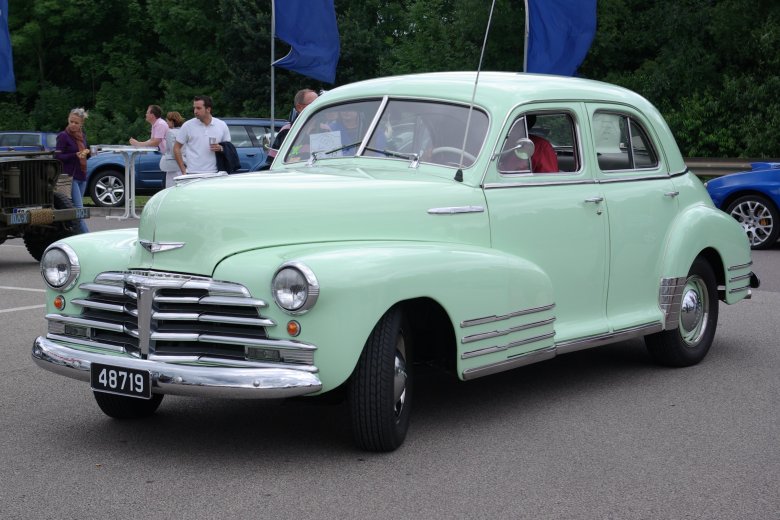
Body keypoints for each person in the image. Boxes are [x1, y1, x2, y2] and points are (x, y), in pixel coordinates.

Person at [54, 108, 90, 234]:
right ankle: (87, 237)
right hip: (70, 176)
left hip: (82, 175)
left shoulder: (82, 136)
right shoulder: (63, 136)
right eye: (71, 121)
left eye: (76, 123)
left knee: (76, 210)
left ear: (81, 124)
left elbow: (84, 152)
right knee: (79, 210)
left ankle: (73, 234)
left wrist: (87, 153)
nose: (73, 125)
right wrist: (75, 155)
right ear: (68, 120)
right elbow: (57, 156)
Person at [174, 95, 231, 174]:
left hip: (215, 173)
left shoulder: (221, 125)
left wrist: (220, 148)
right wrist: (183, 170)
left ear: (208, 109)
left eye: (198, 108)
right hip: (193, 173)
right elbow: (176, 148)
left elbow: (228, 147)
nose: (195, 111)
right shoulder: (187, 125)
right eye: (194, 108)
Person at [266, 88, 318, 165]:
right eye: (313, 104)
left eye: (318, 103)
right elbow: (272, 162)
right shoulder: (287, 130)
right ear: (299, 107)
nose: (317, 106)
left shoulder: (325, 129)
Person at [159, 111, 185, 187]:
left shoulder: (170, 133)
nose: (167, 123)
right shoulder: (183, 131)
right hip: (184, 162)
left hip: (173, 165)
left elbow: (174, 151)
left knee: (171, 186)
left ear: (172, 121)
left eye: (167, 121)